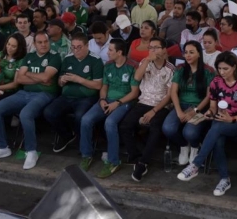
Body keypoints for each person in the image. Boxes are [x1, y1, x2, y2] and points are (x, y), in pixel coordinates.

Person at [177, 51, 237, 197]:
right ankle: (224, 179)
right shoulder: (216, 82)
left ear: (234, 67)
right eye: (219, 68)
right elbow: (213, 106)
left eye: (225, 69)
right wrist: (210, 113)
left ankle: (196, 164)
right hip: (220, 121)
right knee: (217, 138)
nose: (222, 72)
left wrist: (232, 119)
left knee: (216, 128)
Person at [0, 32, 62, 170]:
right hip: (24, 92)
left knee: (25, 114)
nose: (43, 44)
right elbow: (19, 79)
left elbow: (46, 77)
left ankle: (31, 151)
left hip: (45, 94)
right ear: (34, 44)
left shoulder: (54, 56)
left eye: (45, 41)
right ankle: (2, 147)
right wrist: (39, 77)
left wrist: (29, 74)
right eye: (40, 42)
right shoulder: (29, 56)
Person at [78, 39, 139, 177]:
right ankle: (86, 155)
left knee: (110, 122)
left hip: (125, 102)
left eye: (110, 50)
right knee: (86, 119)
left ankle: (114, 161)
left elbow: (134, 93)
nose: (107, 52)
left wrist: (117, 102)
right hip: (107, 100)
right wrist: (103, 99)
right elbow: (104, 87)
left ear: (120, 52)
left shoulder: (132, 66)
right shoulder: (108, 65)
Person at [119, 37, 175, 182]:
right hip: (143, 101)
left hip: (161, 105)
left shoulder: (170, 69)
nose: (153, 50)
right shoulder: (145, 63)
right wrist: (147, 60)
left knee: (155, 128)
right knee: (125, 125)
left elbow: (169, 97)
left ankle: (143, 163)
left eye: (156, 47)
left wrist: (154, 111)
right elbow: (137, 77)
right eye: (150, 47)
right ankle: (138, 158)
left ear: (163, 50)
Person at [43, 33, 103, 153]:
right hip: (66, 96)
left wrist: (78, 79)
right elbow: (59, 82)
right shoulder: (68, 59)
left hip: (86, 97)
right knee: (48, 112)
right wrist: (62, 80)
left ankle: (81, 139)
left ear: (87, 46)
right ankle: (67, 135)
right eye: (73, 47)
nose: (76, 50)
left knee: (80, 116)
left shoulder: (95, 60)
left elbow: (98, 85)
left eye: (79, 47)